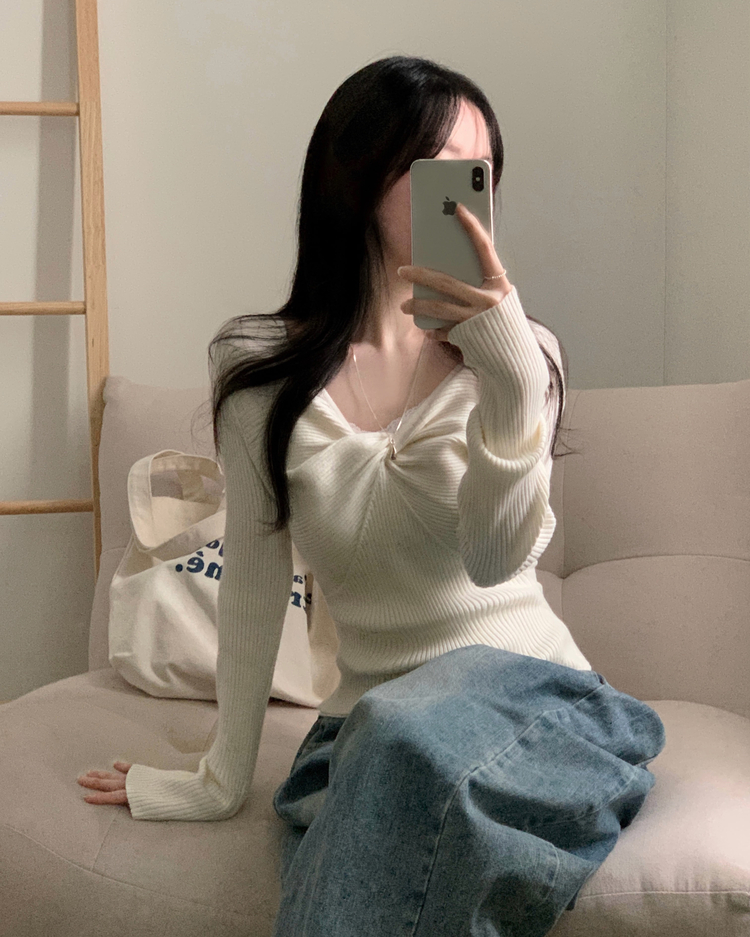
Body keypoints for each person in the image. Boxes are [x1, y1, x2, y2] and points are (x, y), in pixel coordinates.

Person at [77, 55, 666, 936]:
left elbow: (495, 558)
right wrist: (218, 778)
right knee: (391, 747)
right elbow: (252, 581)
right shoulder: (258, 371)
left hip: (543, 710)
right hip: (374, 733)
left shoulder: (521, 354)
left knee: (397, 746)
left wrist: (509, 378)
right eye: (433, 168)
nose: (461, 196)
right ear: (354, 178)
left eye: (478, 172)